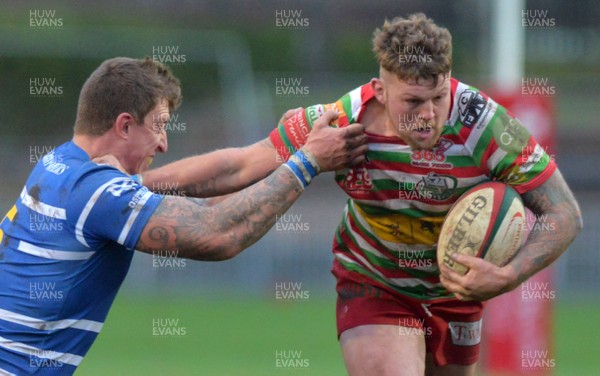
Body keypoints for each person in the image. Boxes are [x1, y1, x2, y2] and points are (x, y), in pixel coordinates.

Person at [140, 14, 583, 376]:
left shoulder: (486, 126)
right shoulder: (343, 121)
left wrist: (510, 276)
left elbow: (564, 212)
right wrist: (133, 186)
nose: (428, 117)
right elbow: (240, 164)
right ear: (382, 87)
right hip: (375, 282)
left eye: (437, 98)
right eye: (412, 102)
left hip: (456, 293)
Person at [0, 57, 368, 375]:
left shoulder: (61, 164)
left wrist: (285, 146)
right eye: (158, 126)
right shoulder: (94, 191)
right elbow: (217, 232)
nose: (164, 143)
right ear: (125, 125)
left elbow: (224, 177)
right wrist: (308, 163)